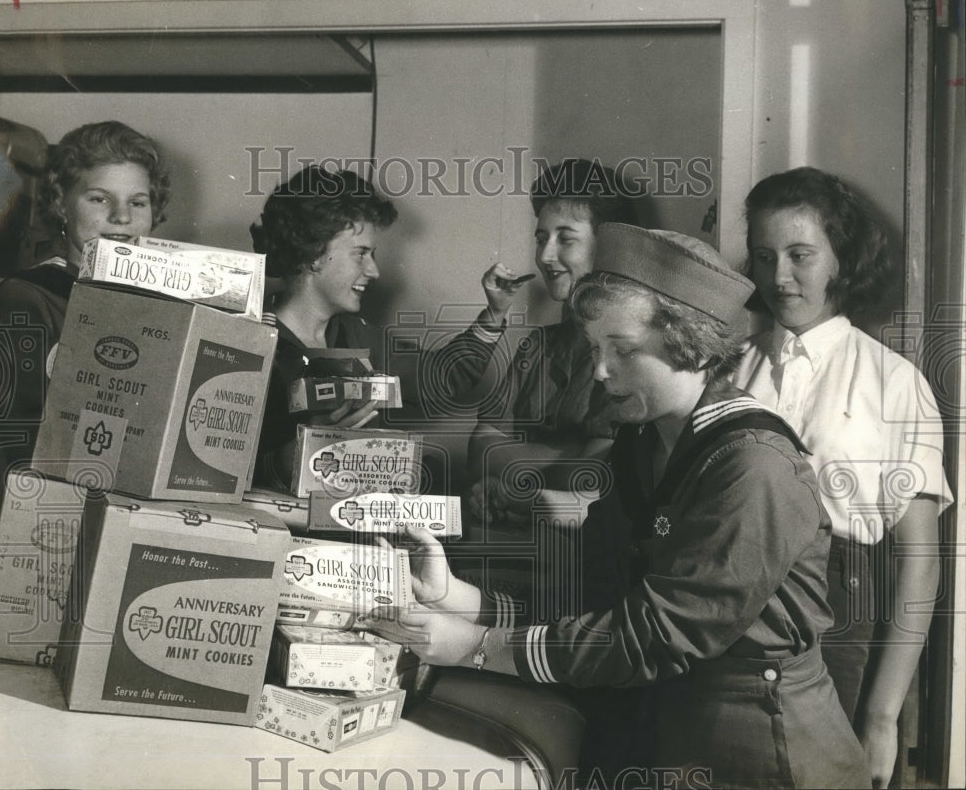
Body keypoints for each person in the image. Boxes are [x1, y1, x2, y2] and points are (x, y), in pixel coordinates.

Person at [371, 222, 871, 789]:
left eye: (624, 351)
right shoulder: (641, 444)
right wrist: (463, 601)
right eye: (593, 349)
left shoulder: (754, 465)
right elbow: (597, 594)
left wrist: (479, 648)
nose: (601, 371)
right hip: (668, 724)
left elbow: (652, 633)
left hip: (763, 743)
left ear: (692, 342)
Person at [733, 166, 953, 788]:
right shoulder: (730, 374)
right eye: (765, 256)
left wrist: (882, 718)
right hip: (728, 606)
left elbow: (920, 561)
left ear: (840, 261)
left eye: (801, 255)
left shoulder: (893, 381)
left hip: (839, 613)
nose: (780, 276)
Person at [251, 164, 506, 492]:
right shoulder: (246, 335)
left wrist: (496, 312)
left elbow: (445, 376)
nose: (374, 271)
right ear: (313, 256)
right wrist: (296, 453)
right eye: (361, 254)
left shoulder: (358, 336)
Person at [0, 120, 169, 515]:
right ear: (60, 204)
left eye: (138, 202)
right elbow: (11, 439)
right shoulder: (26, 298)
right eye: (99, 199)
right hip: (43, 508)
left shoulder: (166, 308)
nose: (122, 217)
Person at [462, 158, 640, 528]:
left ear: (608, 246)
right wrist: (565, 456)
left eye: (566, 238)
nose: (545, 256)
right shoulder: (536, 346)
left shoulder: (631, 354)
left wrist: (509, 475)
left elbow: (593, 475)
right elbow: (479, 449)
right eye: (542, 238)